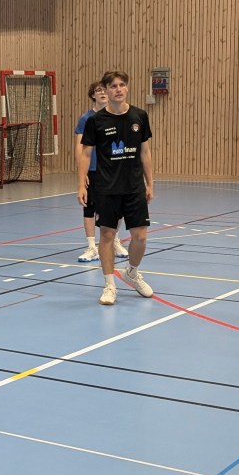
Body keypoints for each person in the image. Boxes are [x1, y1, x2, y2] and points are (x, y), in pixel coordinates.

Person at [77, 71, 154, 306]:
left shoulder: (139, 116)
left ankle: (132, 272)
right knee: (108, 235)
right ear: (106, 91)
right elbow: (86, 154)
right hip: (106, 187)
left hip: (134, 187)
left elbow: (145, 152)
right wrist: (81, 184)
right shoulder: (95, 121)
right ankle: (109, 284)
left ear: (127, 88)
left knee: (140, 236)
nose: (118, 89)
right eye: (113, 86)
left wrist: (150, 183)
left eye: (121, 85)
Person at [75, 82, 129, 262]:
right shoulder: (86, 119)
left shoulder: (116, 116)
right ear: (93, 95)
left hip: (113, 170)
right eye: (98, 90)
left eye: (104, 90)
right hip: (93, 169)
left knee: (116, 207)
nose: (102, 93)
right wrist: (82, 174)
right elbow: (80, 147)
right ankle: (92, 247)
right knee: (89, 207)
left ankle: (114, 241)